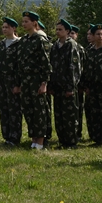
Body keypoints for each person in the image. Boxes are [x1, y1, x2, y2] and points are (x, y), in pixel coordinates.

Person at [17, 11, 51, 150]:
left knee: (39, 111)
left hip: (37, 79)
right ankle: (33, 139)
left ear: (34, 23)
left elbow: (46, 63)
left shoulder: (40, 39)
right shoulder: (24, 40)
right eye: (23, 21)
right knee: (28, 109)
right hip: (25, 80)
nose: (23, 24)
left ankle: (41, 141)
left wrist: (44, 83)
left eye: (26, 21)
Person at [49, 19, 81, 149]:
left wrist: (71, 87)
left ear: (67, 32)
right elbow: (51, 66)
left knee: (70, 115)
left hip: (68, 87)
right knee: (59, 115)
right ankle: (62, 140)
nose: (57, 32)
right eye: (56, 29)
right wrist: (51, 85)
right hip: (57, 87)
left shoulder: (71, 45)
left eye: (60, 30)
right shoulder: (55, 46)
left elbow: (74, 68)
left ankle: (71, 141)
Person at [0, 17, 22, 146]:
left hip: (13, 81)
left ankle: (15, 137)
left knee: (14, 110)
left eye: (7, 27)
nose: (4, 29)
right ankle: (7, 136)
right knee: (3, 109)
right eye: (3, 27)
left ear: (14, 28)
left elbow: (21, 66)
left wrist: (18, 84)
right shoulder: (0, 45)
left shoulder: (19, 44)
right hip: (1, 81)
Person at [70, 25, 86, 141]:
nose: (71, 35)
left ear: (76, 35)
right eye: (69, 33)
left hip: (78, 85)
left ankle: (77, 133)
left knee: (78, 110)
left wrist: (82, 85)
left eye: (73, 33)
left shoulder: (79, 48)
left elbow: (83, 68)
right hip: (68, 85)